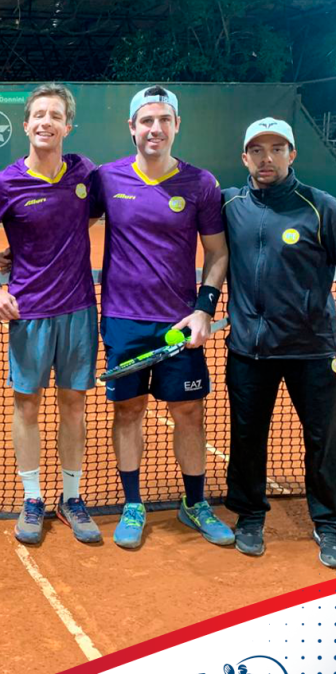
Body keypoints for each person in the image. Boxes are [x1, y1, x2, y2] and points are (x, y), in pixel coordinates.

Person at [89, 86, 233, 549]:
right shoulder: (107, 178)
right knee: (128, 411)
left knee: (189, 412)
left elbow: (217, 253)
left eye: (164, 120)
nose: (156, 128)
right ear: (132, 127)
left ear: (176, 125)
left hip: (179, 323)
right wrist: (23, 254)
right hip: (123, 320)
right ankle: (133, 504)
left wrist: (204, 309)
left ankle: (195, 503)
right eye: (147, 120)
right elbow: (69, 225)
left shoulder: (201, 183)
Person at [0, 84, 102, 546]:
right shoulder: (5, 182)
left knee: (74, 404)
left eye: (55, 115)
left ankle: (72, 498)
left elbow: (90, 214)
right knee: (27, 405)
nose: (46, 121)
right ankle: (32, 498)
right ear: (26, 125)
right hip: (29, 312)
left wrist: (57, 238)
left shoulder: (84, 172)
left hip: (79, 309)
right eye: (38, 115)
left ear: (68, 126)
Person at [222, 118, 336, 566]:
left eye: (276, 148)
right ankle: (249, 516)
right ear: (244, 157)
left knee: (325, 440)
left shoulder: (321, 207)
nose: (266, 158)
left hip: (313, 348)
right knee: (247, 437)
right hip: (249, 349)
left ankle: (329, 521)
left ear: (292, 154)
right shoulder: (230, 205)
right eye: (257, 150)